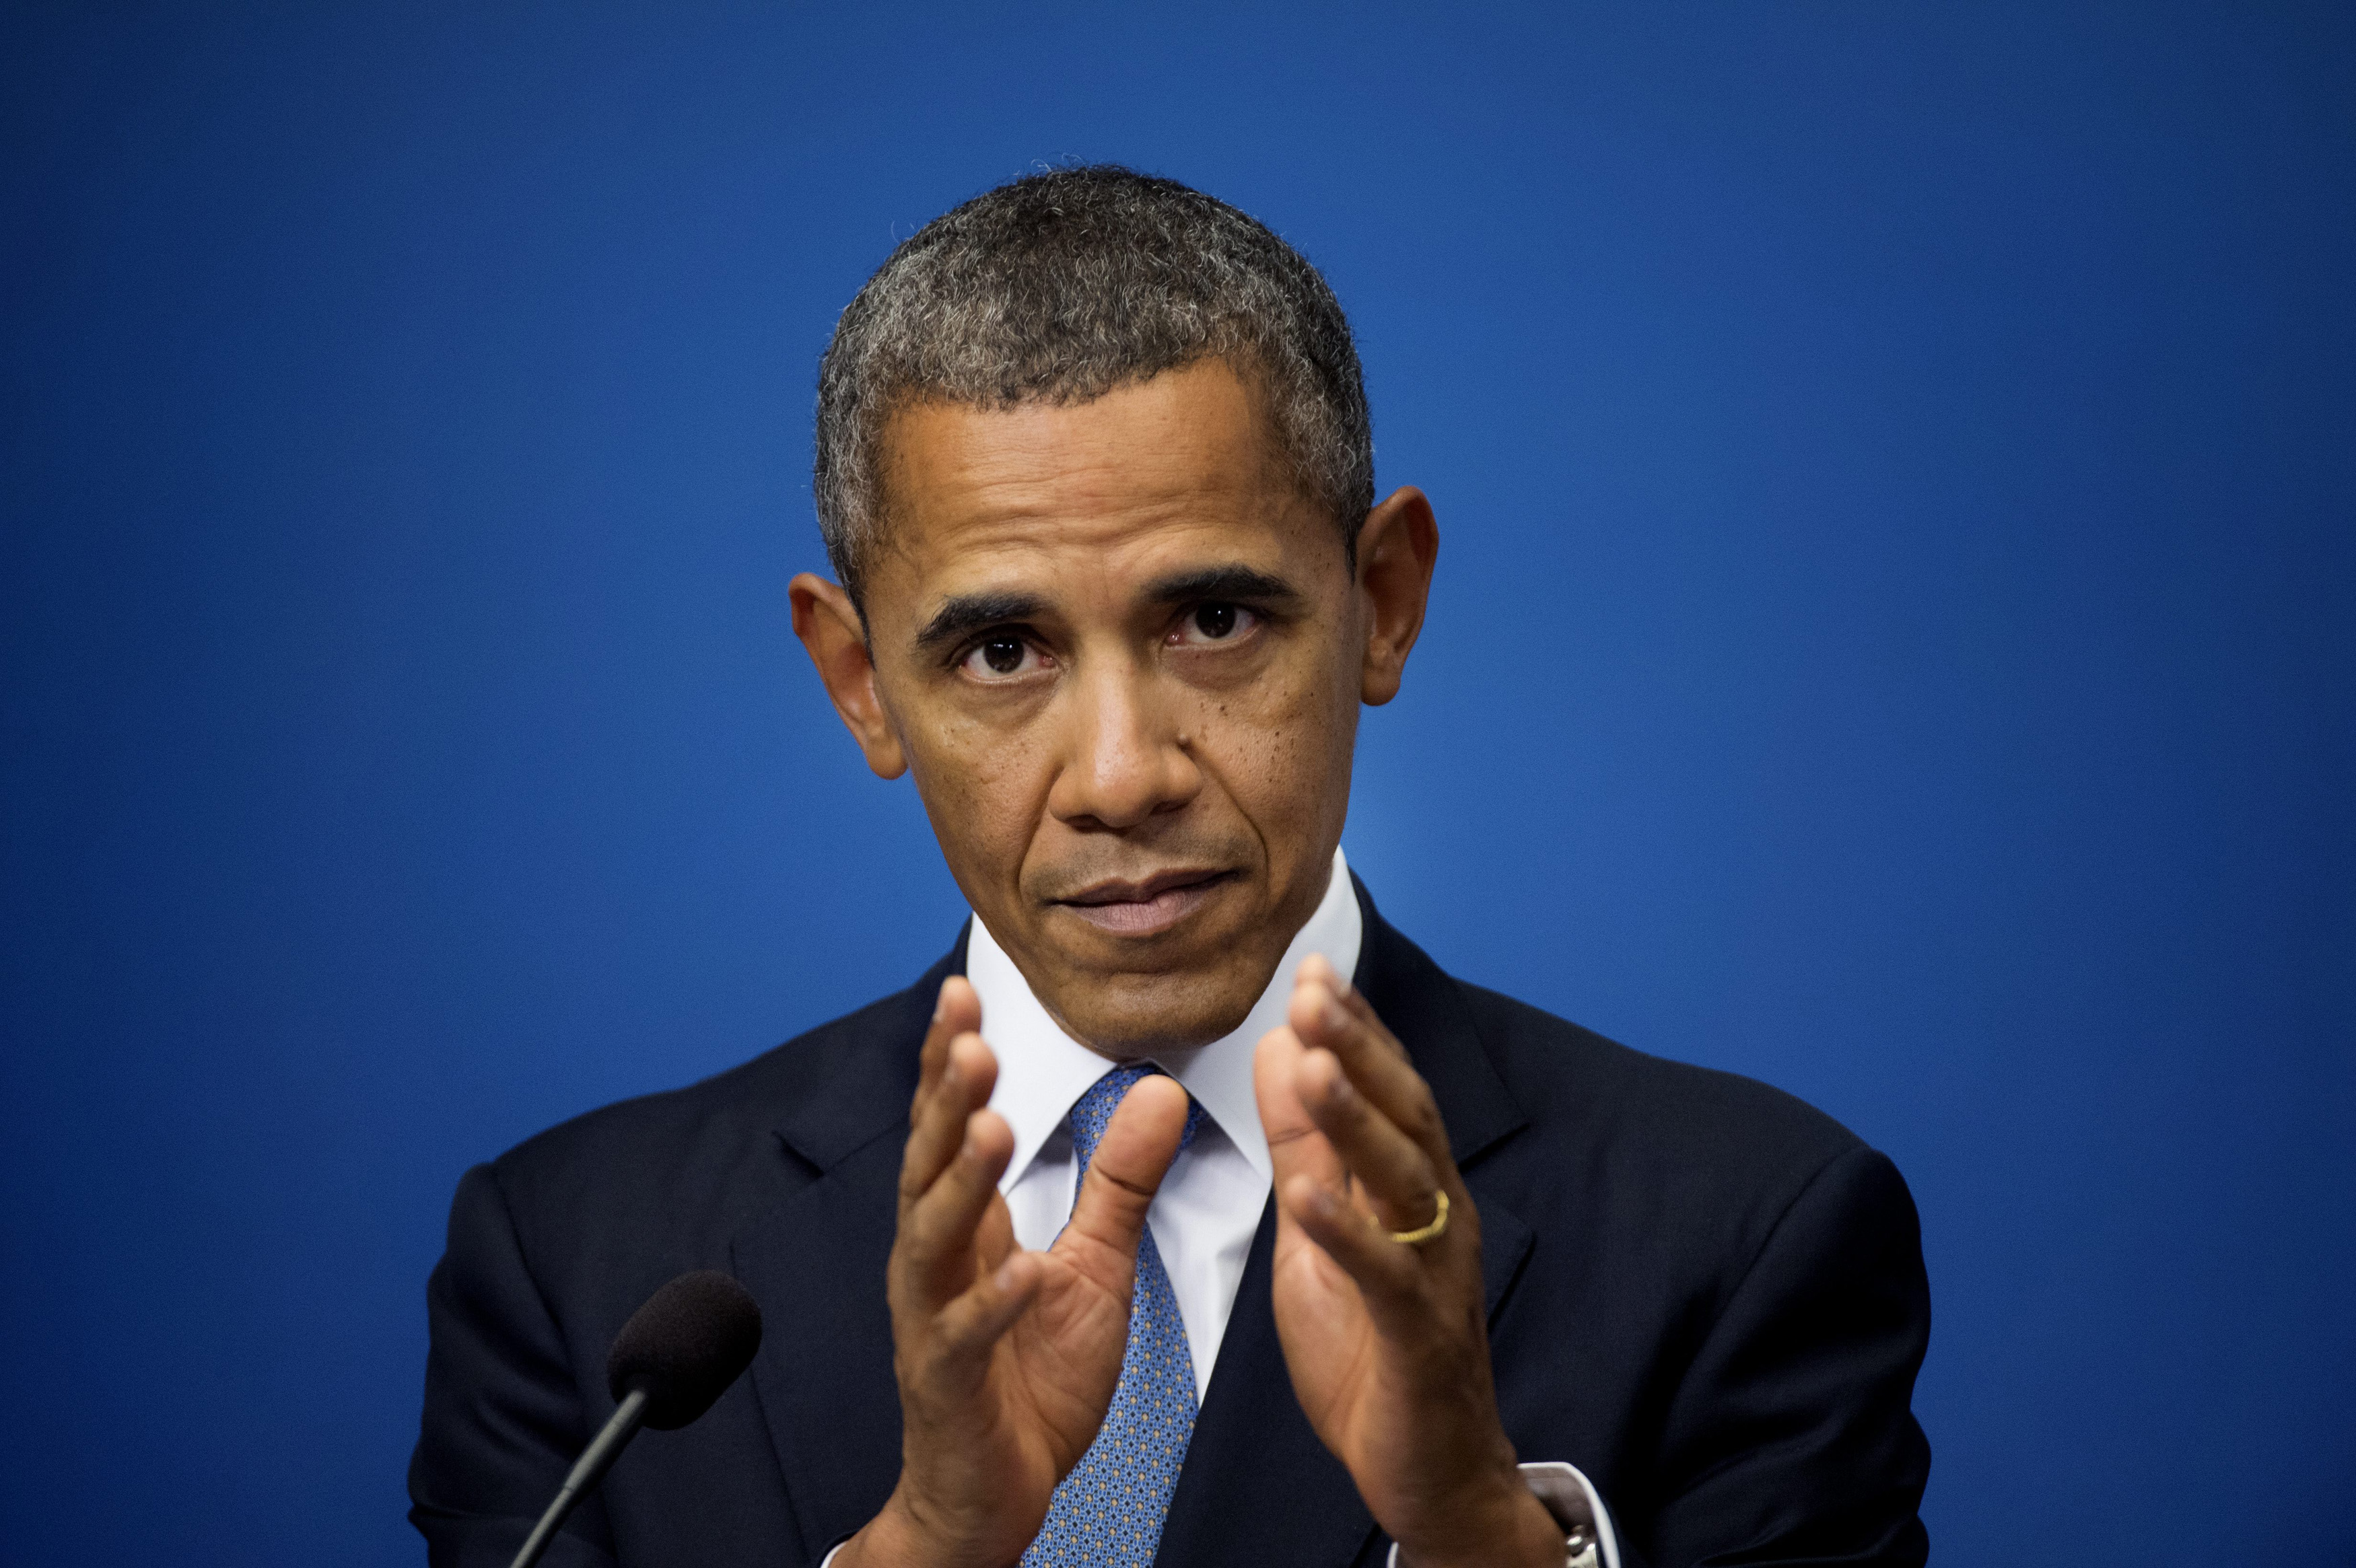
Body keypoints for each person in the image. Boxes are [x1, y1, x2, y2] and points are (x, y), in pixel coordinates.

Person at [409, 166, 1931, 1568]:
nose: (1125, 773)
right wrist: (927, 1546)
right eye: (1001, 650)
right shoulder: (577, 1271)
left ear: (1382, 602)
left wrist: (1473, 1526)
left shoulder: (1748, 1233)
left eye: (1214, 621)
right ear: (859, 680)